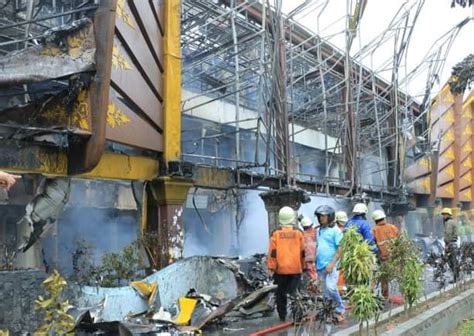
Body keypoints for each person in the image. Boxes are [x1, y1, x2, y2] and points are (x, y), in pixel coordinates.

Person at [267, 206, 305, 321]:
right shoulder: (299, 233)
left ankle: (282, 316)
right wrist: (302, 267)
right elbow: (302, 252)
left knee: (280, 294)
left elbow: (273, 253)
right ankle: (298, 316)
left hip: (280, 270)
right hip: (296, 268)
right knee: (295, 293)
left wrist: (271, 268)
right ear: (292, 217)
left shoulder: (276, 233)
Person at [315, 205, 345, 321]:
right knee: (325, 291)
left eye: (323, 216)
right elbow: (318, 246)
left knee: (331, 288)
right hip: (320, 265)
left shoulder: (336, 231)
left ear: (330, 216)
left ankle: (340, 310)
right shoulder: (319, 230)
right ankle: (326, 311)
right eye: (319, 216)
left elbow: (340, 249)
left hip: (331, 265)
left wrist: (332, 264)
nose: (321, 218)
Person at [372, 209, 399, 298]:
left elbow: (373, 245)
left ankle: (385, 296)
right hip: (395, 257)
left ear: (375, 220)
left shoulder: (374, 230)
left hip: (383, 259)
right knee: (400, 275)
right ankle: (406, 294)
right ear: (384, 218)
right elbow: (400, 241)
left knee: (384, 278)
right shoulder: (393, 227)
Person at [441, 208, 459, 282]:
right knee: (453, 260)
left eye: (445, 214)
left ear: (448, 215)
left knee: (451, 261)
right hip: (453, 243)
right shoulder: (452, 221)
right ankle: (457, 276)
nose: (443, 216)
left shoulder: (449, 222)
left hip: (450, 243)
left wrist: (447, 245)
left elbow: (448, 234)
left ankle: (455, 278)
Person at [300, 216, 317, 281]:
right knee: (315, 272)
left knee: (311, 273)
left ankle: (315, 285)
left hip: (307, 257)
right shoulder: (316, 232)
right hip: (316, 256)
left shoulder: (302, 235)